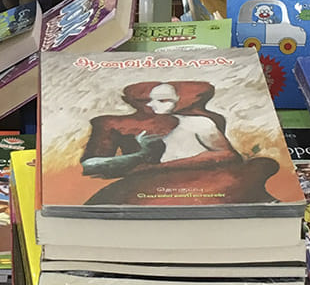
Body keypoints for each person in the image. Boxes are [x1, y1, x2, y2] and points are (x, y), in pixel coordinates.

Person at [78, 80, 279, 207]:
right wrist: (139, 157)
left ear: (178, 101)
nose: (152, 106)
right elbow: (91, 166)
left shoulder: (199, 123)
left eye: (163, 101)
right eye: (147, 101)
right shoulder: (117, 125)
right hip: (152, 186)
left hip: (201, 182)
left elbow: (227, 155)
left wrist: (153, 167)